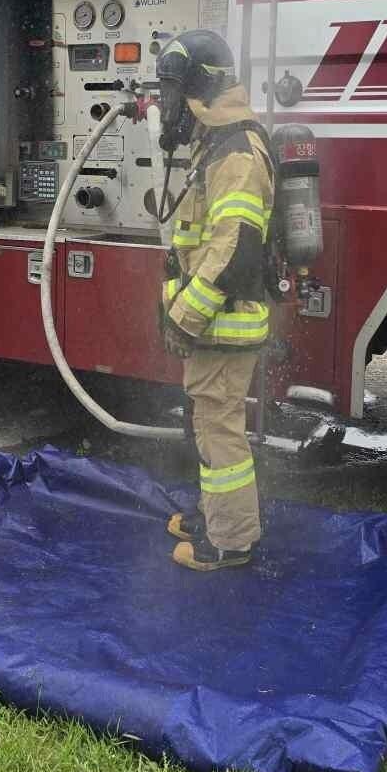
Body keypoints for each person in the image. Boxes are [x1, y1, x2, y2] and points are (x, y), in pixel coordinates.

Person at [156, 30, 274, 572]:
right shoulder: (218, 142)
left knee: (220, 430)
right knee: (208, 424)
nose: (166, 106)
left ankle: (230, 542)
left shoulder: (236, 152)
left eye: (172, 93)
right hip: (214, 324)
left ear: (201, 87)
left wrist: (183, 316)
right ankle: (217, 517)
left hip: (222, 323)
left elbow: (235, 247)